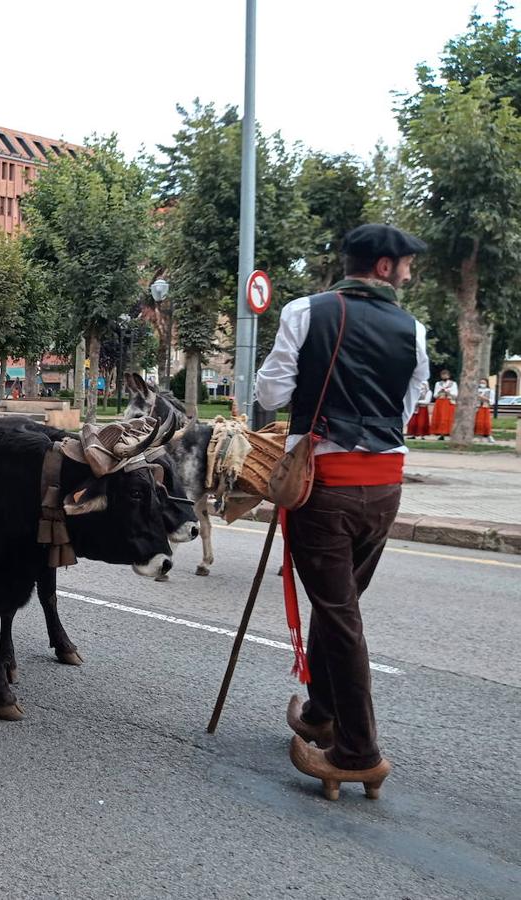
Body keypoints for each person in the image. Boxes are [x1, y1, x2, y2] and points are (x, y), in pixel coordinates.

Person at [256, 223, 430, 801]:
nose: (408, 272)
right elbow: (411, 406)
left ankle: (358, 751)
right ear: (383, 267)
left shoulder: (307, 312)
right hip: (385, 488)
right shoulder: (414, 329)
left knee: (338, 614)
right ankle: (323, 710)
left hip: (324, 486)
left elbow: (272, 395)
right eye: (405, 264)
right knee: (341, 605)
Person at [431, 369, 457, 439]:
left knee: (447, 417)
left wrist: (448, 392)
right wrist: (440, 392)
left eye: (445, 374)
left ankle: (448, 431)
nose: (444, 376)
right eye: (442, 375)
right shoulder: (438, 384)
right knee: (440, 416)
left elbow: (455, 394)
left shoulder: (453, 383)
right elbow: (435, 395)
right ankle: (439, 432)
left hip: (448, 401)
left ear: (448, 375)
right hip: (440, 401)